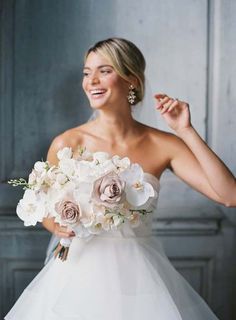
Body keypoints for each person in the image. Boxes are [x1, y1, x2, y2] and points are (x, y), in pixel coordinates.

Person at [5, 37, 236, 319]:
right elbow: (44, 208)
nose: (91, 81)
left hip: (142, 278)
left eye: (105, 70)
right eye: (87, 72)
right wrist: (58, 227)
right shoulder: (68, 142)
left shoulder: (163, 144)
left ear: (132, 80)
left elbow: (229, 195)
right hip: (75, 280)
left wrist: (186, 130)